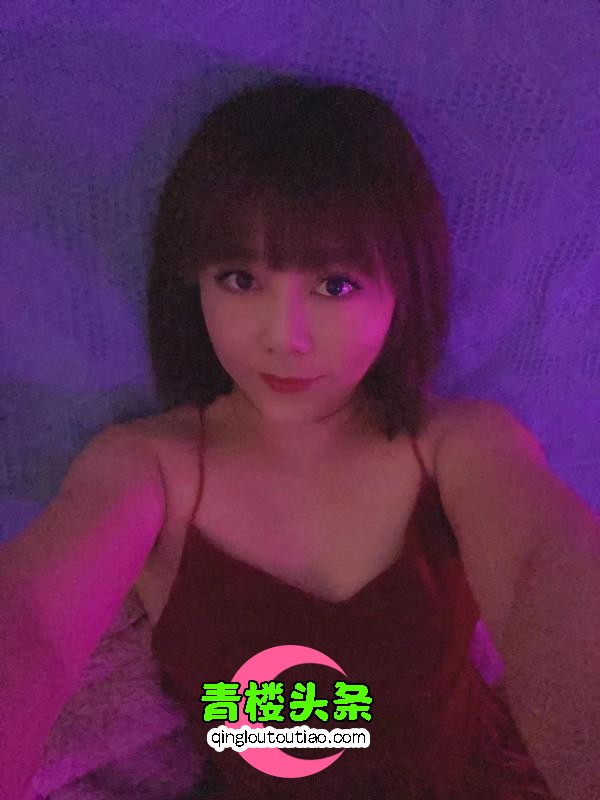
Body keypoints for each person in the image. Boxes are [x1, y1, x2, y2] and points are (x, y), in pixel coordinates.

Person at [1, 76, 565, 798]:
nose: (284, 337)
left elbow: (544, 576)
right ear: (192, 284)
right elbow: (33, 625)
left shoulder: (461, 447)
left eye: (335, 285)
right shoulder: (149, 468)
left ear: (405, 288)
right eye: (240, 279)